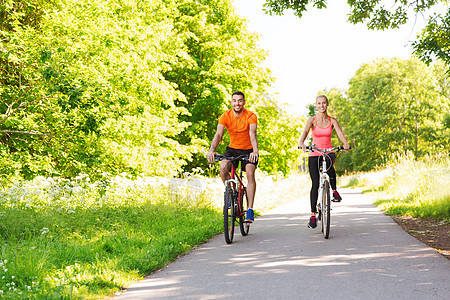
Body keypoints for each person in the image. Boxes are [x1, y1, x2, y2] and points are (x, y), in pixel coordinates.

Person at [298, 95, 350, 229]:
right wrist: (301, 142)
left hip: (328, 151)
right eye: (319, 103)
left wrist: (345, 143)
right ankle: (313, 215)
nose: (321, 105)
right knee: (315, 183)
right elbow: (305, 131)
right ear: (316, 105)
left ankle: (334, 191)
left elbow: (339, 133)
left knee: (330, 164)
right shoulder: (312, 120)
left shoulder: (332, 120)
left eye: (324, 103)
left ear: (327, 104)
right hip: (315, 152)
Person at [207, 91, 259, 223]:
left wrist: (255, 151)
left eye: (240, 100)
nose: (237, 103)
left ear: (244, 102)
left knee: (250, 174)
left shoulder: (251, 116)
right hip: (232, 149)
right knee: (223, 167)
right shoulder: (226, 116)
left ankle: (250, 209)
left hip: (248, 150)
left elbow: (253, 134)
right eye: (235, 100)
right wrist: (211, 150)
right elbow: (218, 135)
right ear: (231, 102)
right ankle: (230, 193)